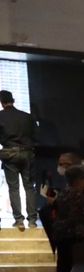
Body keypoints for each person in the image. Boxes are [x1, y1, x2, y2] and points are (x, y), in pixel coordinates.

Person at [48, 165, 84, 272]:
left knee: (62, 269)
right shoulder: (77, 195)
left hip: (62, 236)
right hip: (72, 238)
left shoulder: (64, 193)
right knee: (70, 269)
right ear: (79, 179)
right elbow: (76, 218)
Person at [0, 89, 37, 230]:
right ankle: (33, 220)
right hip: (28, 154)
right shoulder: (27, 116)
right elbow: (36, 135)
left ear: (2, 102)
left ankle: (19, 220)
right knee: (29, 187)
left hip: (10, 154)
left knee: (13, 188)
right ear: (13, 100)